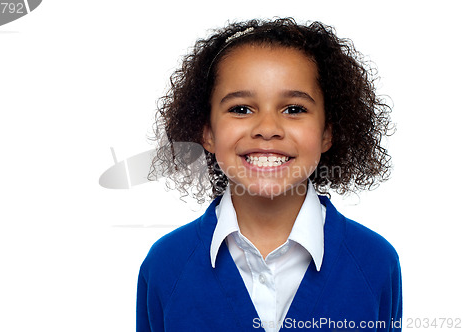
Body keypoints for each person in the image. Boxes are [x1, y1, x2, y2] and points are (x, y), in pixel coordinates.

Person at [137, 18, 401, 332]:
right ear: (207, 132)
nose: (267, 129)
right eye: (240, 109)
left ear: (328, 132)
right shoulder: (166, 265)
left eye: (293, 109)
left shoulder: (375, 262)